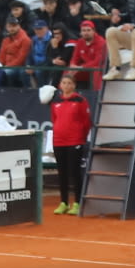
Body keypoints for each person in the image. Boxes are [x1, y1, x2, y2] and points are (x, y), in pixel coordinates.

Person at [49, 72, 91, 215]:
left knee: (75, 173)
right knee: (62, 173)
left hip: (75, 141)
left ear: (74, 85)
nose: (66, 86)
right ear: (60, 85)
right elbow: (54, 120)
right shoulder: (55, 102)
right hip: (58, 141)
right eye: (64, 83)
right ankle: (64, 203)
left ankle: (77, 203)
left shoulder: (80, 100)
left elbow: (86, 122)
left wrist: (80, 137)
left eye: (69, 83)